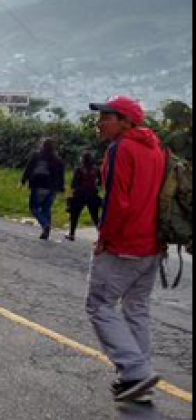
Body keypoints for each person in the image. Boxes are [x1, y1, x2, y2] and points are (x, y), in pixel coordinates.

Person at [83, 97, 168, 403]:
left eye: (106, 117)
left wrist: (105, 238)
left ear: (125, 122)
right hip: (152, 245)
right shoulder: (157, 149)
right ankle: (139, 380)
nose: (100, 123)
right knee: (136, 308)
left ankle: (134, 371)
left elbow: (116, 201)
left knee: (99, 305)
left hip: (125, 244)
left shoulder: (121, 148)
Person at [21, 138, 66, 240]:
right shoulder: (58, 160)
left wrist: (23, 181)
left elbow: (29, 169)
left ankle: (45, 225)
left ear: (43, 145)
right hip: (53, 188)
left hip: (39, 185)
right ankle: (46, 231)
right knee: (47, 208)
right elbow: (61, 175)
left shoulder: (37, 156)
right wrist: (61, 188)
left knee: (34, 207)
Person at [66, 152, 103, 241]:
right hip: (92, 194)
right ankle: (102, 235)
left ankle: (72, 234)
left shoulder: (79, 169)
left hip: (79, 194)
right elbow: (100, 182)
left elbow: (73, 184)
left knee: (75, 215)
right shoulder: (96, 170)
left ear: (83, 160)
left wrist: (70, 195)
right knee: (95, 216)